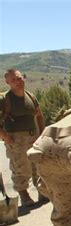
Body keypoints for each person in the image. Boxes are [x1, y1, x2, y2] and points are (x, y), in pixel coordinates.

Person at [0, 69, 46, 206]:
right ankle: (24, 194)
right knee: (20, 167)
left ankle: (42, 192)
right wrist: (5, 137)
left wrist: (43, 134)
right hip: (15, 139)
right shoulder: (4, 99)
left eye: (19, 79)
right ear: (7, 82)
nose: (17, 82)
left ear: (24, 79)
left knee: (37, 165)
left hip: (34, 135)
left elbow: (39, 115)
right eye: (13, 80)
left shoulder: (30, 96)